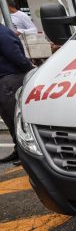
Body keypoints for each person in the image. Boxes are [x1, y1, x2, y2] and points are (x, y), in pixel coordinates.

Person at [0, 22, 35, 163]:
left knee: (16, 119)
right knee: (9, 118)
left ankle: (26, 154)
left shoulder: (2, 33)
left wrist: (30, 68)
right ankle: (18, 150)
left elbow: (15, 55)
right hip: (5, 80)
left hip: (11, 80)